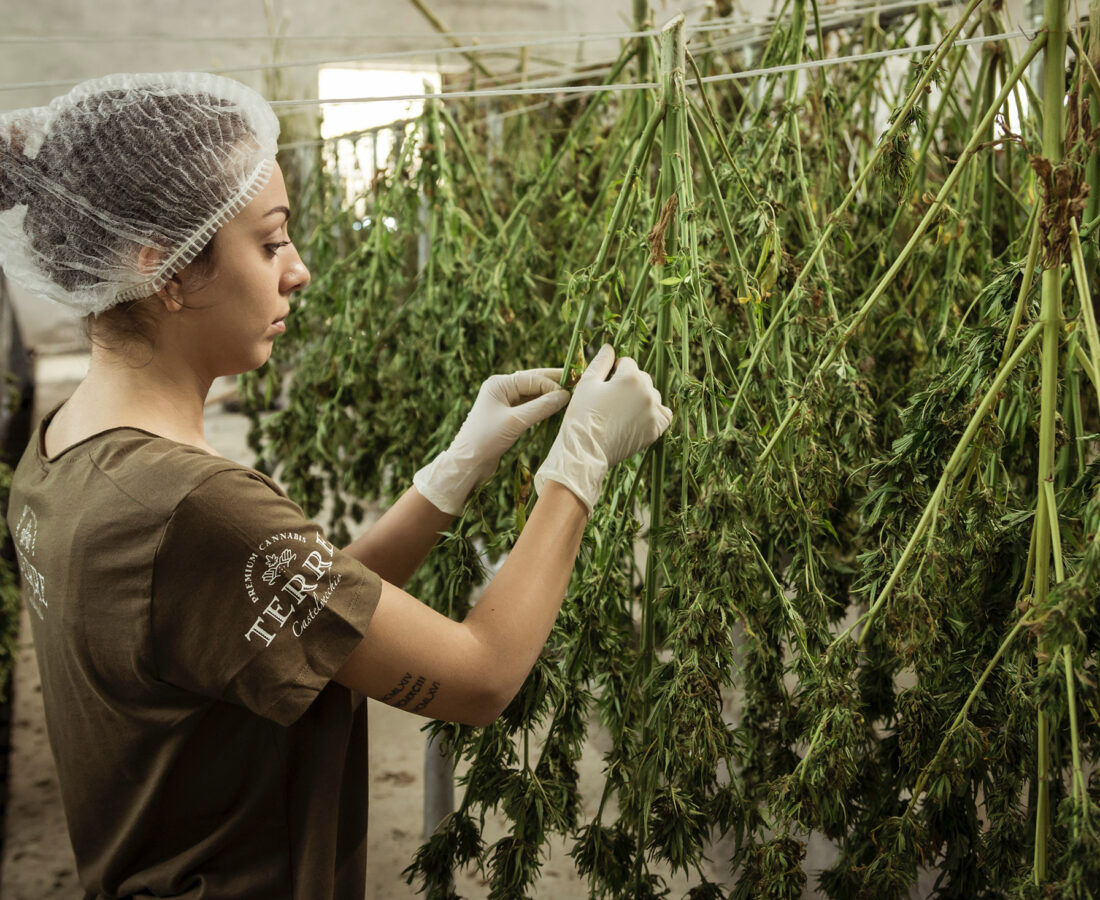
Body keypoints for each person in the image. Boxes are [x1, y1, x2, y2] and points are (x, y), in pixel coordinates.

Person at [0, 72, 672, 899]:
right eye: (272, 241)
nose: (300, 271)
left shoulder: (61, 451)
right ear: (165, 270)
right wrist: (581, 465)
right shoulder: (194, 509)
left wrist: (448, 475)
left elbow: (290, 616)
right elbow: (481, 675)